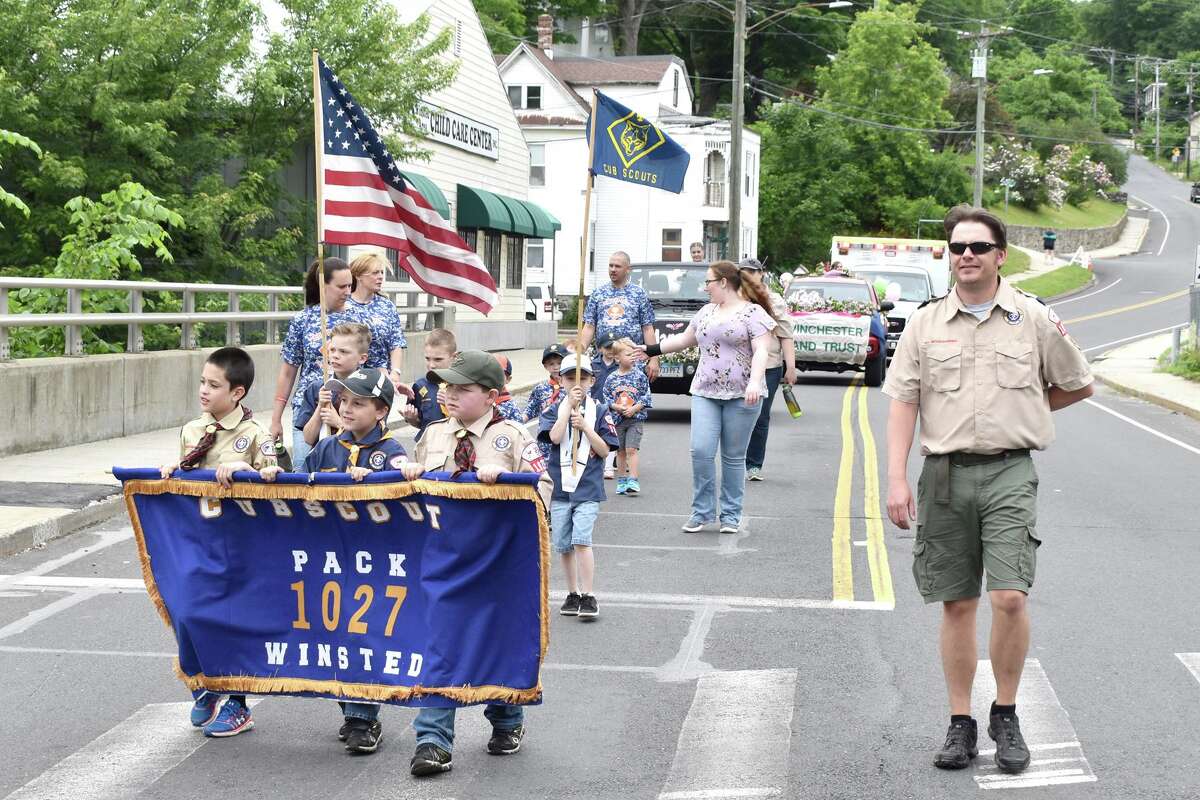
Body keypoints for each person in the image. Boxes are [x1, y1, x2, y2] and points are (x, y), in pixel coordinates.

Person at [883, 206, 1094, 775]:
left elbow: (1078, 384)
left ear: (1001, 255)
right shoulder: (925, 324)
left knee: (1010, 596)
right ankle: (960, 722)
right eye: (957, 247)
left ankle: (1005, 712)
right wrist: (897, 477)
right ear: (948, 256)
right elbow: (904, 402)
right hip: (945, 475)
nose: (966, 255)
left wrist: (1025, 410)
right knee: (956, 603)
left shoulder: (1033, 319)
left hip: (1008, 471)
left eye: (978, 246)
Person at [399, 351, 551, 777]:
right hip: (443, 559)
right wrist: (408, 474)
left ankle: (506, 716)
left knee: (497, 639)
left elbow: (544, 491)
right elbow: (414, 494)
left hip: (497, 561)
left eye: (462, 390)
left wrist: (503, 485)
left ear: (491, 396)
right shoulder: (432, 434)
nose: (448, 395)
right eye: (446, 387)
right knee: (439, 644)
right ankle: (432, 740)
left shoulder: (512, 436)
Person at [159, 347, 282, 738]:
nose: (204, 391)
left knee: (233, 622)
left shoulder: (255, 435)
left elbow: (281, 481)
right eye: (202, 382)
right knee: (187, 611)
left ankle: (237, 702)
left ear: (238, 393)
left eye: (214, 385)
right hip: (197, 540)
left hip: (239, 545)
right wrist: (171, 472)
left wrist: (247, 470)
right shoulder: (192, 431)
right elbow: (185, 474)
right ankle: (205, 682)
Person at [301, 366, 407, 754]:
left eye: (358, 403)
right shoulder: (329, 448)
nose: (346, 409)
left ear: (380, 411)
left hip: (372, 560)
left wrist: (378, 482)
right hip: (330, 557)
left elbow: (405, 492)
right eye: (344, 400)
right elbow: (300, 482)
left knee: (362, 635)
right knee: (332, 634)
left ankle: (365, 718)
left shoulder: (391, 451)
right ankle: (351, 709)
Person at [638, 261, 773, 533]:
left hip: (742, 395)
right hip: (705, 391)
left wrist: (755, 382)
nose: (705, 287)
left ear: (723, 282)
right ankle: (702, 512)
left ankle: (731, 515)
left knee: (734, 457)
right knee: (700, 450)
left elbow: (761, 351)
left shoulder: (753, 313)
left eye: (708, 282)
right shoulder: (706, 312)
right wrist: (650, 349)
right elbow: (684, 340)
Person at [540, 354, 619, 620]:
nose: (577, 383)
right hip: (561, 489)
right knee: (563, 544)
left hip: (587, 489)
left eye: (582, 378)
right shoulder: (553, 409)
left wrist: (585, 426)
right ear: (560, 380)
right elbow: (554, 437)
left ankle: (589, 594)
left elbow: (605, 449)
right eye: (570, 378)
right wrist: (566, 411)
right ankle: (572, 592)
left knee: (581, 540)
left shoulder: (601, 410)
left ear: (591, 380)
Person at [270, 257, 355, 471]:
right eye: (341, 286)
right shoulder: (302, 320)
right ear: (322, 285)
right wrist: (276, 419)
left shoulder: (359, 318)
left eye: (350, 286)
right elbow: (288, 372)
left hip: (348, 406)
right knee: (303, 468)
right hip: (308, 408)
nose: (347, 291)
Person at [739, 259, 798, 482]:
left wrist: (790, 367)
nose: (748, 276)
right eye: (743, 272)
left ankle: (754, 464)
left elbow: (785, 334)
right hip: (739, 366)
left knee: (760, 416)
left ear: (761, 274)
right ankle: (735, 460)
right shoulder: (735, 297)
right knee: (737, 413)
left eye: (752, 272)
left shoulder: (773, 300)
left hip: (770, 366)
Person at [578, 251, 661, 381]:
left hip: (631, 361)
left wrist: (654, 359)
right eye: (611, 266)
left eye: (617, 266)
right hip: (604, 361)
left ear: (628, 269)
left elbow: (647, 328)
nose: (613, 270)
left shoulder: (639, 294)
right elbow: (589, 326)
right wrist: (579, 354)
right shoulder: (598, 294)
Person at [295, 323, 370, 449]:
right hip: (322, 461)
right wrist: (320, 406)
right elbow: (308, 438)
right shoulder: (317, 388)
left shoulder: (369, 389)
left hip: (355, 461)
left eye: (343, 351)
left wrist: (339, 423)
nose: (335, 355)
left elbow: (371, 437)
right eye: (332, 350)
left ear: (362, 358)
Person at [346, 252, 408, 387]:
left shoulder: (387, 306)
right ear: (358, 276)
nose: (380, 277)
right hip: (351, 379)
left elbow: (396, 343)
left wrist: (395, 373)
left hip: (381, 379)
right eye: (375, 273)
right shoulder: (343, 305)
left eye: (381, 272)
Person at [603, 338, 652, 496]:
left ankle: (633, 479)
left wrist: (635, 409)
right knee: (621, 451)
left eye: (633, 354)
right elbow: (606, 398)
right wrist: (616, 407)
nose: (632, 357)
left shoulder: (639, 376)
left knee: (631, 449)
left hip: (635, 419)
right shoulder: (611, 378)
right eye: (628, 354)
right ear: (617, 358)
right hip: (618, 420)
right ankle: (622, 480)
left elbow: (646, 396)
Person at [402, 328, 456, 441]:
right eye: (427, 358)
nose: (431, 365)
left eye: (438, 359)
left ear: (454, 357)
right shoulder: (420, 386)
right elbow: (422, 424)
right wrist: (412, 419)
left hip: (454, 444)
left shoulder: (462, 386)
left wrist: (451, 405)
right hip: (427, 445)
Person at [524, 343, 569, 463]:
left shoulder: (573, 387)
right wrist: (516, 422)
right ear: (545, 366)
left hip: (567, 437)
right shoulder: (541, 388)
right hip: (545, 439)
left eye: (559, 363)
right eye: (551, 364)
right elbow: (530, 410)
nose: (556, 367)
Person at [590, 332, 621, 479]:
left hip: (614, 408)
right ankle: (594, 463)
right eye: (607, 347)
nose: (610, 351)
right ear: (600, 348)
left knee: (610, 435)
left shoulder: (620, 365)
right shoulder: (592, 365)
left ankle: (608, 467)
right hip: (595, 405)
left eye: (613, 348)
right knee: (594, 435)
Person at [493, 353, 523, 422]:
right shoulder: (478, 399)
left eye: (498, 374)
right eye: (487, 373)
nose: (492, 377)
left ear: (508, 379)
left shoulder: (510, 409)